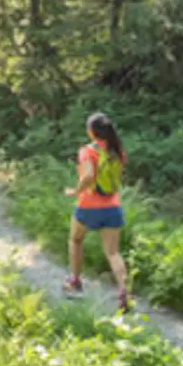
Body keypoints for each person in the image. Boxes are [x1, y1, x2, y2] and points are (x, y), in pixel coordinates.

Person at [62, 111, 130, 312]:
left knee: (75, 240)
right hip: (112, 207)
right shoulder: (117, 151)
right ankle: (124, 292)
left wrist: (74, 191)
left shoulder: (87, 151)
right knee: (113, 252)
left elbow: (89, 176)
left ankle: (75, 281)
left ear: (91, 131)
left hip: (88, 206)